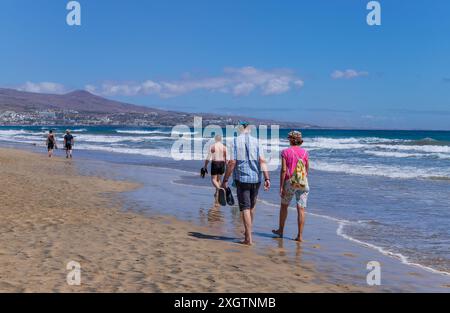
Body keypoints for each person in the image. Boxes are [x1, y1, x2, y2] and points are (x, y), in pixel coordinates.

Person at [222, 121, 270, 245]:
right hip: (256, 179)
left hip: (242, 179)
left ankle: (248, 238)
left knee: (245, 208)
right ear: (249, 129)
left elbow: (232, 162)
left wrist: (226, 179)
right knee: (251, 207)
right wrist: (267, 178)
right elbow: (262, 160)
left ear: (239, 129)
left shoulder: (234, 141)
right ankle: (247, 232)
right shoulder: (258, 141)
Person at [272, 131, 310, 242]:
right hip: (303, 182)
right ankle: (300, 236)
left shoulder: (285, 152)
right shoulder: (305, 152)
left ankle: (281, 230)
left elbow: (284, 170)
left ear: (291, 140)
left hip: (290, 181)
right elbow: (307, 168)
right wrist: (303, 177)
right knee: (301, 209)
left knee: (284, 206)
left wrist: (281, 186)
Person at [202, 134, 227, 203]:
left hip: (215, 163)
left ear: (215, 139)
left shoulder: (212, 147)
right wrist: (227, 166)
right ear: (221, 139)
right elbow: (226, 158)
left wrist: (205, 166)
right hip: (222, 163)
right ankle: (217, 193)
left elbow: (208, 157)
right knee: (219, 179)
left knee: (213, 179)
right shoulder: (224, 147)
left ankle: (219, 189)